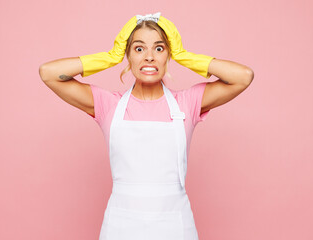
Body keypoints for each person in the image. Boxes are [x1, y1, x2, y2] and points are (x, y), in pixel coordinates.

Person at [39, 12, 253, 240]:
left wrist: (184, 55)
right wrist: (110, 57)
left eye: (159, 48)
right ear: (127, 56)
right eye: (139, 49)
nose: (149, 57)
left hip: (175, 225)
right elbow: (48, 73)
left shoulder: (187, 104)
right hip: (121, 226)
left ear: (168, 55)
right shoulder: (107, 105)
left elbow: (243, 76)